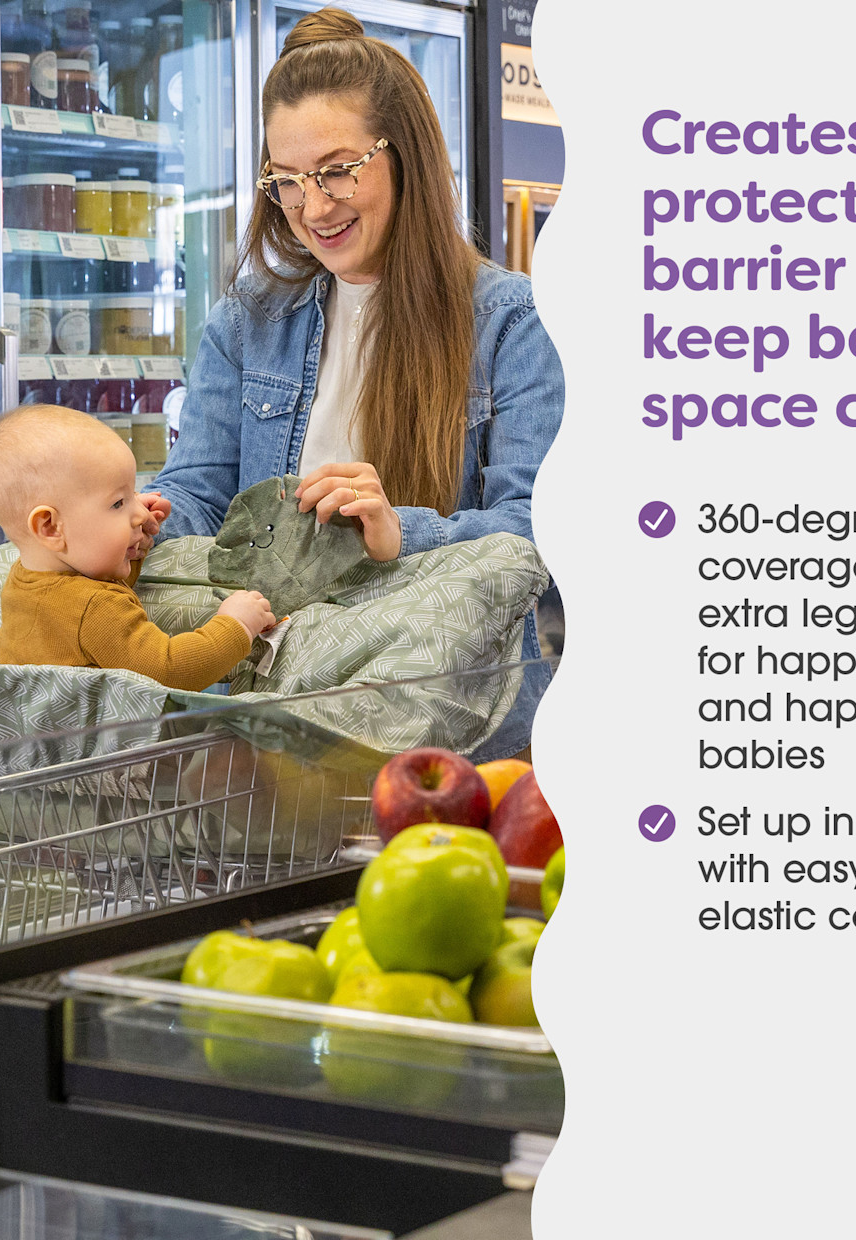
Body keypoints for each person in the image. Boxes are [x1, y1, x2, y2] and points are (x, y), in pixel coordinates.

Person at [151, 7, 563, 757]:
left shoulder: (510, 322)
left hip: (458, 735)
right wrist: (131, 518)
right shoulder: (248, 323)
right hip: (274, 721)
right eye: (287, 181)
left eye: (337, 170)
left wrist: (404, 531)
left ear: (404, 153)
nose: (313, 207)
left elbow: (546, 534)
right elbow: (199, 498)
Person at [0, 405, 275, 692]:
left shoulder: (25, 580)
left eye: (133, 494)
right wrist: (236, 624)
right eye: (118, 503)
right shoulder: (95, 610)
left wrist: (132, 543)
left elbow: (101, 584)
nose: (141, 513)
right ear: (50, 527)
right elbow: (171, 670)